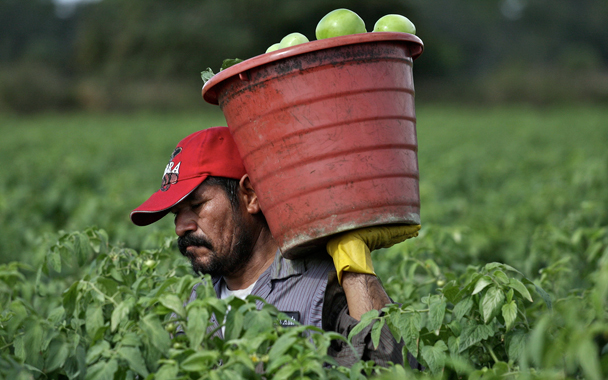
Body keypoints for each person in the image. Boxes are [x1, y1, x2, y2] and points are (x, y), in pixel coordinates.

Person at [130, 126, 420, 368]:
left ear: (250, 195)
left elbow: (394, 368)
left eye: (196, 206)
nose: (181, 227)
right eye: (175, 214)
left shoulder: (321, 285)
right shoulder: (187, 308)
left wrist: (356, 271)